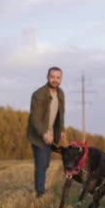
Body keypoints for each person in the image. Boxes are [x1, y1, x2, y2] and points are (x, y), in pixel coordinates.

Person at [26, 66, 66, 197]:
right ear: (47, 77)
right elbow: (34, 118)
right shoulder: (38, 95)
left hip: (51, 135)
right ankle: (40, 192)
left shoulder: (60, 94)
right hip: (38, 135)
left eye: (58, 77)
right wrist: (43, 133)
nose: (55, 80)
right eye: (52, 77)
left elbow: (61, 115)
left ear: (61, 79)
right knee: (42, 164)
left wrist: (61, 130)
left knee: (46, 163)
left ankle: (40, 188)